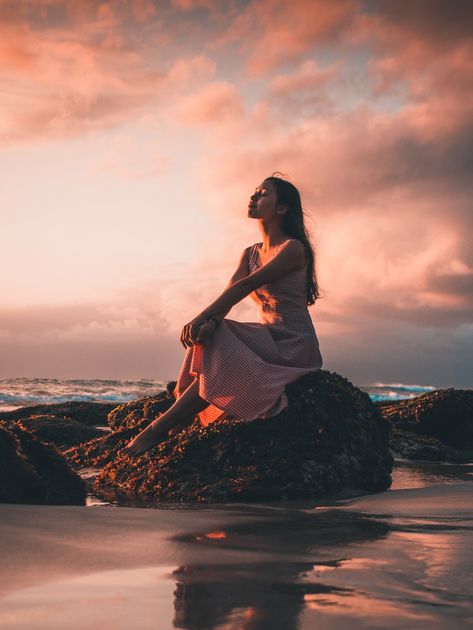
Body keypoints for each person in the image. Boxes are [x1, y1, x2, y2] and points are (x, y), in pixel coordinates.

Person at [124, 173, 323, 457]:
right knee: (212, 332)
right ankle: (175, 424)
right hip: (267, 337)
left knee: (215, 333)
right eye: (254, 191)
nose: (254, 197)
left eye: (263, 193)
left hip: (293, 344)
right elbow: (230, 292)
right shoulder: (251, 253)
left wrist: (201, 317)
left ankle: (155, 430)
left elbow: (246, 286)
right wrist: (210, 322)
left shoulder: (293, 249)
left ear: (281, 208)